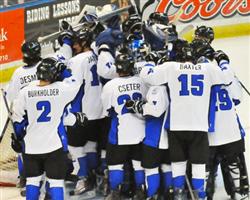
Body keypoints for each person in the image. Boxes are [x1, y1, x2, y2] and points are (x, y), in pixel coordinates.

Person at [139, 39, 234, 199]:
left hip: (176, 126)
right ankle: (200, 196)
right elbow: (227, 77)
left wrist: (150, 61)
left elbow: (147, 77)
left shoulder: (171, 67)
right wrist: (222, 60)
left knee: (178, 164)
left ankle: (179, 194)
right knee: (198, 166)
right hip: (199, 126)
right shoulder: (207, 68)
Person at [11, 57, 81, 200]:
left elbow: (17, 120)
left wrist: (19, 138)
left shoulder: (25, 91)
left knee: (32, 182)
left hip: (31, 147)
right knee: (56, 183)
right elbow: (76, 81)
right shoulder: (61, 89)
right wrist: (64, 72)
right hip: (53, 146)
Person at [191, 38, 249, 200]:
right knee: (236, 173)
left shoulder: (193, 77)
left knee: (205, 174)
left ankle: (205, 195)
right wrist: (225, 64)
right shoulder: (225, 72)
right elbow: (237, 97)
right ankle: (240, 193)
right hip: (231, 133)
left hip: (207, 136)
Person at [101, 53, 148, 200]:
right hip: (141, 131)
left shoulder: (110, 85)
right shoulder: (142, 82)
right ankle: (140, 191)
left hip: (120, 133)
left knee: (115, 165)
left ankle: (115, 192)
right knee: (139, 164)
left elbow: (107, 111)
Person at [66, 27, 106, 197]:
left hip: (84, 112)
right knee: (93, 145)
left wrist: (73, 112)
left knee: (74, 146)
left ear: (83, 42)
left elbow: (72, 87)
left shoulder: (77, 61)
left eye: (76, 43)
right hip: (102, 111)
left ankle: (84, 177)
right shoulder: (100, 56)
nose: (74, 46)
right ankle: (100, 178)